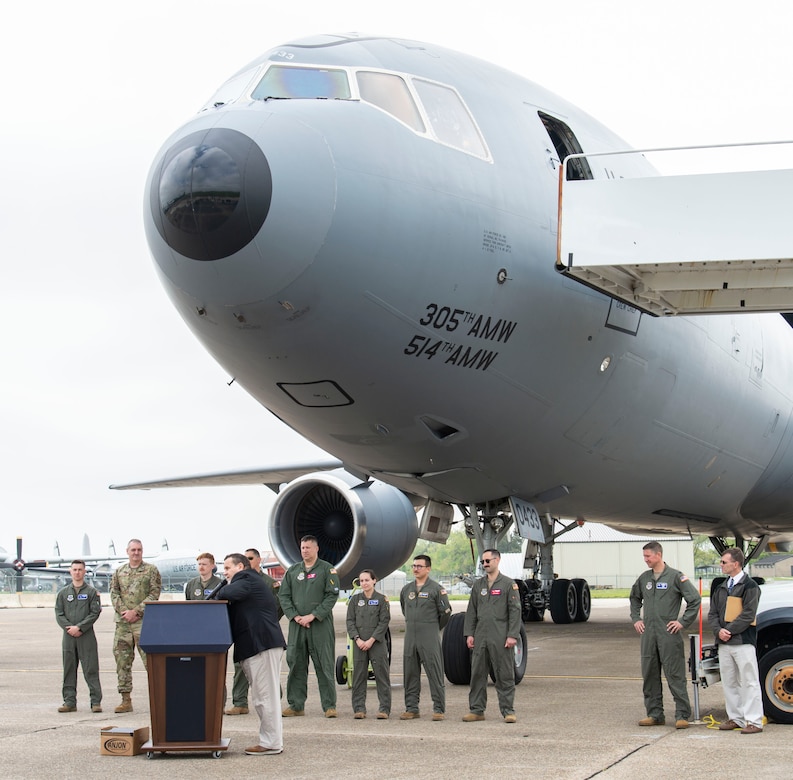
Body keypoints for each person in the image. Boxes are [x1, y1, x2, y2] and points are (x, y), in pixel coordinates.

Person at [212, 553, 286, 755]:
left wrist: (219, 591)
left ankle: (271, 743)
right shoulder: (245, 580)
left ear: (241, 567)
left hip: (261, 645)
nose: (224, 572)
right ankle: (271, 741)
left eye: (228, 568)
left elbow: (228, 593)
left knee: (265, 697)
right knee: (262, 696)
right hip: (256, 646)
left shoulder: (246, 578)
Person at [629, 541, 701, 729]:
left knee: (675, 674)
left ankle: (682, 714)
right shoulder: (644, 578)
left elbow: (694, 600)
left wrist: (682, 622)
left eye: (648, 556)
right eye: (644, 556)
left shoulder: (676, 577)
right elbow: (634, 598)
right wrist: (636, 618)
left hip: (668, 634)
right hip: (648, 635)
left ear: (658, 555)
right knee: (650, 675)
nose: (645, 560)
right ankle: (654, 714)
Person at [279, 535, 340, 717]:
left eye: (308, 547)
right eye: (302, 547)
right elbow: (284, 596)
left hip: (319, 625)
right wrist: (295, 616)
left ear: (316, 549)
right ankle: (296, 705)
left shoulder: (327, 570)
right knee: (296, 664)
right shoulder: (292, 571)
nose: (304, 550)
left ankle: (329, 706)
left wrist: (313, 615)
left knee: (324, 664)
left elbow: (332, 595)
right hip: (297, 626)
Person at [707, 547, 764, 734]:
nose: (721, 565)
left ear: (736, 564)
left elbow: (748, 614)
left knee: (749, 681)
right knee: (730, 682)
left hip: (742, 641)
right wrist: (718, 631)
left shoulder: (750, 587)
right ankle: (736, 718)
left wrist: (728, 631)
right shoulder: (721, 587)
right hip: (724, 643)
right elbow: (713, 613)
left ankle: (754, 721)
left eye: (724, 562)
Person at [462, 549, 521, 723]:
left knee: (504, 674)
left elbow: (515, 611)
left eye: (488, 561)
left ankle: (508, 710)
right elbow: (471, 611)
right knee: (477, 674)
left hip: (500, 635)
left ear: (497, 560)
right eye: (483, 562)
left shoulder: (508, 584)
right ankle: (477, 710)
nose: (485, 564)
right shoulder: (478, 585)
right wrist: (469, 634)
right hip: (481, 636)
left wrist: (512, 635)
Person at [226, 547, 284, 716]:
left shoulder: (254, 579)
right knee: (253, 686)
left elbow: (277, 606)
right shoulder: (241, 580)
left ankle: (271, 741)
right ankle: (240, 701)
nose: (225, 573)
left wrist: (266, 623)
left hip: (262, 638)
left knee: (267, 692)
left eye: (251, 558)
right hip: (248, 639)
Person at [110, 538, 162, 713]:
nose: (136, 553)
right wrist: (125, 611)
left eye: (139, 550)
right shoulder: (119, 572)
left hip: (144, 623)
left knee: (151, 662)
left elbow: (154, 594)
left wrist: (137, 611)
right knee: (122, 662)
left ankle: (159, 699)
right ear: (127, 551)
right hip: (123, 624)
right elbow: (114, 594)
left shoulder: (151, 570)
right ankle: (125, 700)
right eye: (133, 550)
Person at [399, 554, 452, 721]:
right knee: (410, 674)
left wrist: (432, 627)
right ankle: (412, 708)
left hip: (429, 636)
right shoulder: (406, 590)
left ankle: (438, 708)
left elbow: (445, 613)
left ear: (428, 569)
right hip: (410, 638)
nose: (415, 569)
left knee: (434, 672)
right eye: (414, 566)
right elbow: (404, 609)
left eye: (419, 566)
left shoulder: (436, 589)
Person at [54, 560, 103, 713]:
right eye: (74, 569)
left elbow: (95, 612)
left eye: (80, 569)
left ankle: (95, 702)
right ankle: (69, 702)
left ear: (84, 571)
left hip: (86, 635)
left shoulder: (91, 592)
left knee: (90, 668)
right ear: (70, 571)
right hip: (68, 636)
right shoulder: (63, 593)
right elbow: (59, 613)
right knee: (69, 668)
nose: (77, 572)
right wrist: (69, 628)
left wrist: (80, 627)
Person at [345, 569, 391, 719]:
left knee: (381, 675)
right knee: (358, 676)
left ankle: (384, 709)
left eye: (367, 580)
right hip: (359, 644)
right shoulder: (355, 600)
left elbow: (384, 621)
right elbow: (350, 621)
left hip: (376, 643)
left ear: (374, 581)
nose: (364, 583)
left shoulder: (381, 600)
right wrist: (357, 639)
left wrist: (371, 640)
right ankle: (359, 709)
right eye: (361, 581)